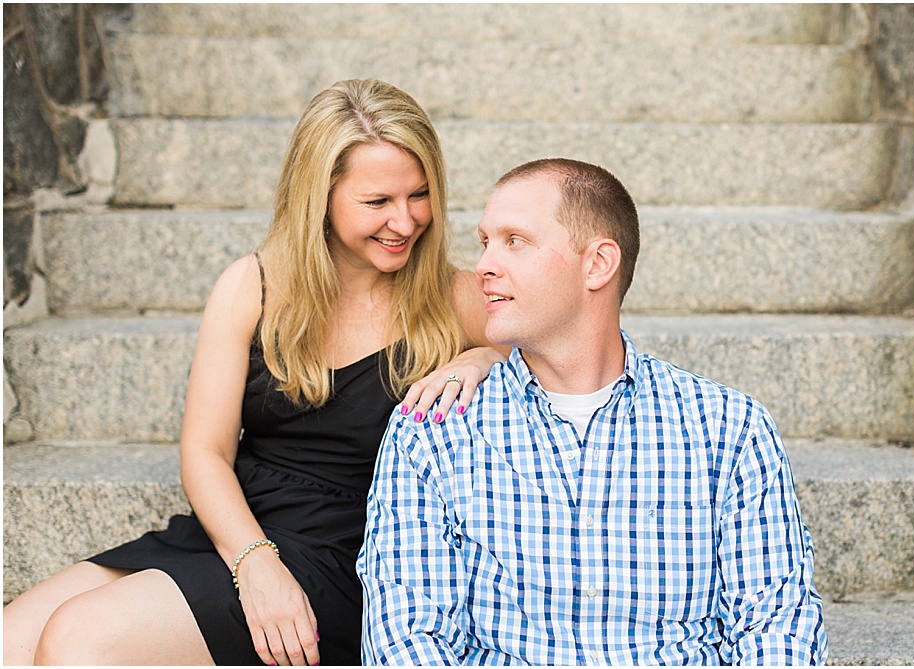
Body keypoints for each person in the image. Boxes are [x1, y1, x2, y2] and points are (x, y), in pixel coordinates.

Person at [3, 79, 506, 666]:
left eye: (419, 194)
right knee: (13, 642)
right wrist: (255, 562)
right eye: (377, 202)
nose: (405, 220)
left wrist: (488, 357)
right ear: (319, 196)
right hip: (239, 531)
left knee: (80, 638)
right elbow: (206, 452)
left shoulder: (458, 299)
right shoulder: (254, 285)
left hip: (346, 554)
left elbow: (566, 357)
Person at [358, 158, 829, 665]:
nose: (484, 266)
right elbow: (406, 639)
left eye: (515, 241)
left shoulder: (728, 429)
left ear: (598, 264)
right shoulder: (432, 432)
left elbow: (777, 627)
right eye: (485, 242)